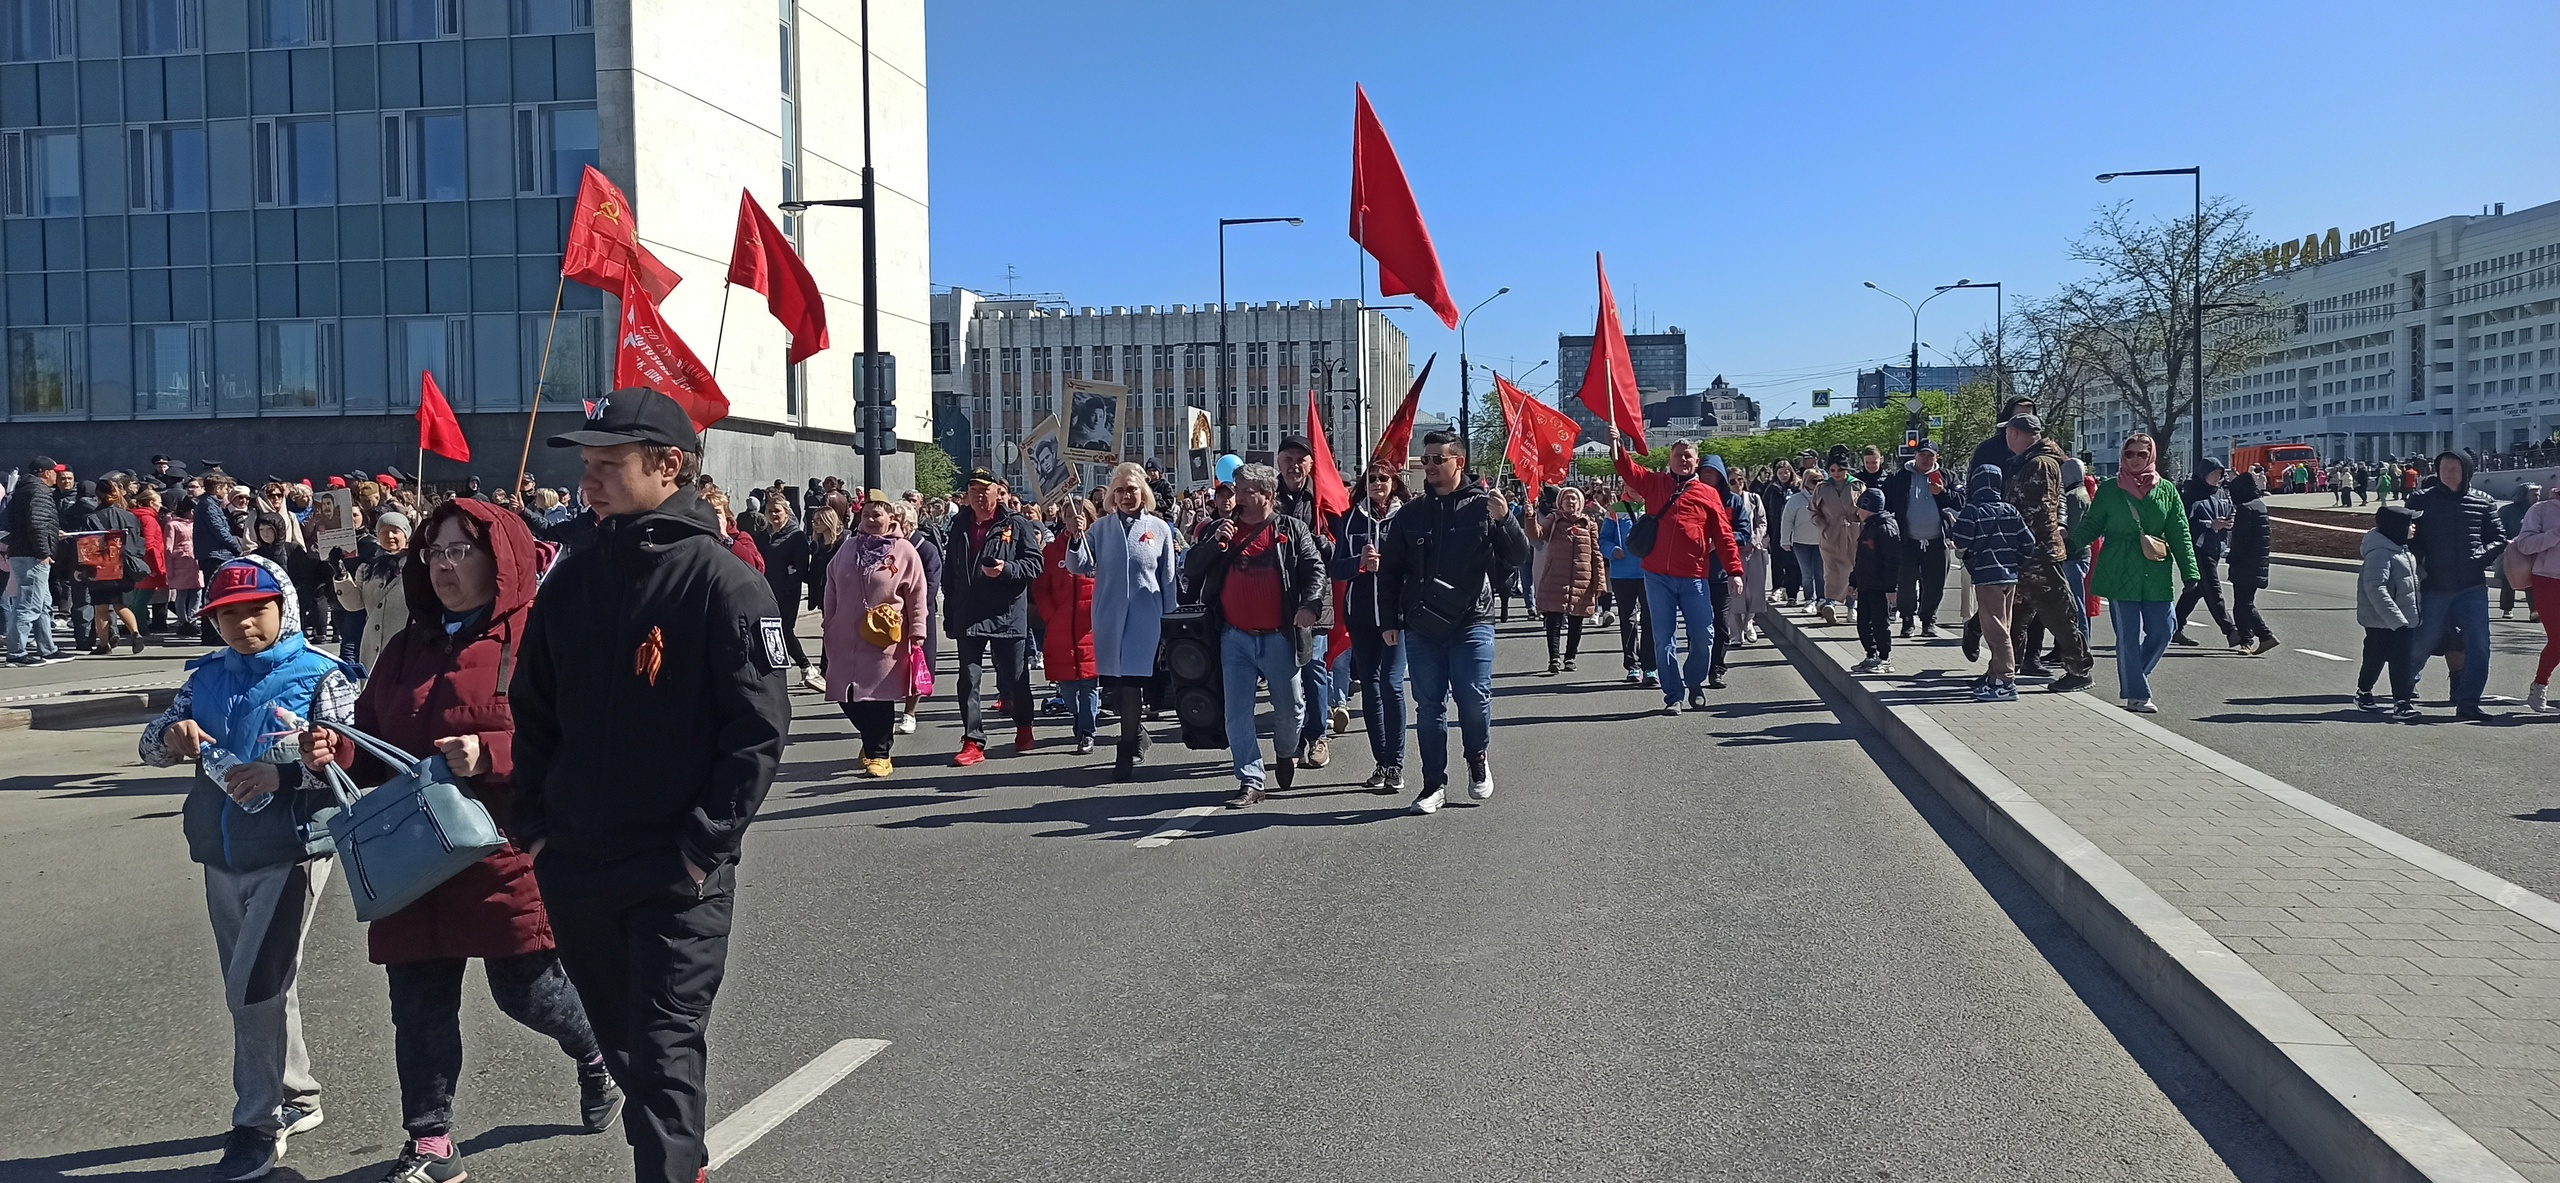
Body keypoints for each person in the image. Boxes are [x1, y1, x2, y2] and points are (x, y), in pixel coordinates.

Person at [509, 388, 792, 1183]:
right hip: (578, 866)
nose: (588, 481)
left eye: (609, 464)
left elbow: (757, 734)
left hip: (676, 875)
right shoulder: (571, 580)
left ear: (670, 466)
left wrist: (701, 849)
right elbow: (531, 712)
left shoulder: (723, 583)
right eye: (586, 466)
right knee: (631, 1051)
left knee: (665, 1052)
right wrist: (534, 828)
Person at [302, 498, 619, 1183]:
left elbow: (581, 736)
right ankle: (430, 1142)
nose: (444, 566)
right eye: (433, 553)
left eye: (459, 551)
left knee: (528, 991)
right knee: (417, 1003)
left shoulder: (540, 634)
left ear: (497, 557)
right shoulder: (405, 645)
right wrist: (334, 749)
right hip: (411, 854)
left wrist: (493, 753)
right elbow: (372, 735)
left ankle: (596, 1052)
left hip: (501, 847)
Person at [138, 556, 359, 1181]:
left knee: (251, 987)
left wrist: (287, 772)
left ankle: (257, 1122)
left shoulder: (322, 674)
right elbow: (151, 744)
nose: (241, 625)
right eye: (226, 614)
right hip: (219, 851)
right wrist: (172, 736)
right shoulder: (203, 677)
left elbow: (352, 761)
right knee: (262, 985)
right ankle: (299, 1094)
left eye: (254, 609)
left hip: (292, 851)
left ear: (284, 606)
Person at [1376, 432, 1528, 813]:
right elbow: (1391, 572)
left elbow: (1518, 554)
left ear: (1458, 462)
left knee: (1474, 699)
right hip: (1422, 623)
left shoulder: (1484, 507)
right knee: (1429, 706)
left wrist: (1506, 519)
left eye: (1436, 460)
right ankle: (1433, 784)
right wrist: (1390, 619)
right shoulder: (1410, 514)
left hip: (1472, 619)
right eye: (1425, 460)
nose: (1428, 467)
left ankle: (1477, 758)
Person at [1183, 463, 1327, 808]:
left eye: (1247, 491)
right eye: (1236, 489)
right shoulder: (1221, 530)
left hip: (1279, 636)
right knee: (1236, 712)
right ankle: (1251, 779)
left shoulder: (1291, 529)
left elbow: (1314, 568)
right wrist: (1214, 545)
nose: (1237, 498)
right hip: (1234, 637)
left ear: (1267, 495)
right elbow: (1191, 569)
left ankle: (1286, 750)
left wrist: (1309, 604)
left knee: (1291, 707)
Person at [1611, 431, 1745, 711]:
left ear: (1696, 462)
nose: (1683, 460)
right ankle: (1673, 695)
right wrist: (1618, 445)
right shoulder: (1655, 483)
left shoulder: (1708, 494)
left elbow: (1723, 535)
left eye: (1688, 456)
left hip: (1695, 576)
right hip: (1657, 576)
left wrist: (1734, 570)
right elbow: (1628, 469)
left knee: (1703, 635)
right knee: (1663, 638)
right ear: (1669, 459)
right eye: (1678, 455)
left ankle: (1694, 682)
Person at [2068, 433, 2199, 713]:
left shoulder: (2167, 490)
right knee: (2128, 636)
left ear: (2151, 456)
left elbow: (2180, 533)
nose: (2136, 459)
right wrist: (2070, 544)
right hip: (2119, 567)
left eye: (2142, 454)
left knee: (2165, 629)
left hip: (2155, 569)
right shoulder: (2110, 490)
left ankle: (2134, 675)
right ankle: (2137, 694)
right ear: (2122, 457)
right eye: (2130, 454)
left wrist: (2190, 572)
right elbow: (2092, 524)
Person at [1072, 462, 1179, 780]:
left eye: (1131, 489)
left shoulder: (1159, 528)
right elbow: (1079, 566)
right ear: (1112, 496)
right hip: (1108, 616)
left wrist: (1170, 619)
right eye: (1119, 490)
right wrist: (1077, 537)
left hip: (1145, 618)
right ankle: (1138, 732)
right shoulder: (1100, 529)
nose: (1125, 496)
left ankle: (1126, 746)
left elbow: (1169, 578)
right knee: (1116, 688)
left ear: (1142, 492)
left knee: (1132, 683)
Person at [822, 495, 929, 777]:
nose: (870, 520)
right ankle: (872, 739)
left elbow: (917, 595)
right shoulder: (847, 548)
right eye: (866, 514)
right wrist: (829, 620)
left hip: (886, 638)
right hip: (846, 636)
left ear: (890, 519)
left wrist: (918, 630)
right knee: (846, 694)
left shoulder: (903, 551)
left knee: (879, 695)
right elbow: (831, 583)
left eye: (877, 515)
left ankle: (880, 754)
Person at [942, 470, 1042, 764]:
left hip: (1006, 614)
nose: (978, 494)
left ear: (998, 492)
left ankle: (1024, 725)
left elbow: (1034, 565)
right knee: (969, 679)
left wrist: (1006, 570)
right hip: (969, 614)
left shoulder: (1016, 523)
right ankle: (973, 740)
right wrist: (951, 609)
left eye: (984, 489)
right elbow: (951, 571)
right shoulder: (959, 523)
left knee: (1015, 678)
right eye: (973, 488)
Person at [2403, 451, 2509, 721]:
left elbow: (2499, 538)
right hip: (2434, 586)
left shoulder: (2483, 502)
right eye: (2444, 468)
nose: (2449, 473)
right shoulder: (2420, 500)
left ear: (2467, 472)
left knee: (2479, 645)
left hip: (2471, 587)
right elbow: (2406, 535)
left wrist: (2480, 557)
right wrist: (2419, 557)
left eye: (2455, 468)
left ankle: (2469, 702)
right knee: (2421, 642)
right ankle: (2402, 694)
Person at [2001, 415, 2096, 693]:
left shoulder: (2039, 464)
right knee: (2014, 611)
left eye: (2008, 433)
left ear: (2017, 434)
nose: (2006, 438)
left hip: (2038, 553)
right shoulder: (2032, 461)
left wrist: (2024, 543)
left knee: (2059, 614)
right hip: (2029, 552)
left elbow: (2039, 511)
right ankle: (2005, 668)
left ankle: (2079, 671)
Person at [1331, 462, 1409, 791]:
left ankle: (1396, 763)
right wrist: (1359, 564)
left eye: (1384, 478)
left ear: (1394, 483)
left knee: (1392, 685)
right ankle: (1382, 762)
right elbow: (1335, 567)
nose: (1378, 483)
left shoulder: (1406, 516)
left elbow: (1416, 564)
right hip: (1361, 616)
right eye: (1372, 478)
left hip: (1395, 617)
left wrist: (1386, 563)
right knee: (1371, 688)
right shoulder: (1350, 519)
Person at [1269, 435, 1338, 769]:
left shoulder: (1322, 498)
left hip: (1313, 598)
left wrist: (1323, 544)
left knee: (1313, 670)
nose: (1294, 466)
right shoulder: (1269, 498)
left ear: (1312, 464)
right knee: (1284, 674)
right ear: (1278, 462)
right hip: (1275, 599)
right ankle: (1291, 738)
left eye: (1301, 459)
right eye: (1288, 459)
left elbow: (1340, 551)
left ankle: (1317, 735)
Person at [1946, 466, 2031, 702]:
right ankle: (1994, 677)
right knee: (2004, 623)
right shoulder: (2010, 510)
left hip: (1986, 576)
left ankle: (2006, 681)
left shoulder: (1973, 510)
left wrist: (1955, 524)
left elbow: (1961, 541)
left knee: (1995, 630)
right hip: (2009, 577)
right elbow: (2029, 542)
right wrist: (2016, 562)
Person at [1031, 494, 1101, 754]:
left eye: (1080, 516)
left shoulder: (1097, 547)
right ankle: (1079, 722)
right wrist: (1051, 615)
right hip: (1061, 629)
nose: (1074, 521)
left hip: (1090, 628)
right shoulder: (1051, 551)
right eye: (1069, 515)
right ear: (1063, 518)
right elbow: (1041, 588)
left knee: (1089, 686)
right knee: (1069, 690)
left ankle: (1087, 732)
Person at [1528, 484, 1604, 675]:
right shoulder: (1553, 520)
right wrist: (1530, 517)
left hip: (1582, 580)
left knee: (1576, 622)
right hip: (1556, 578)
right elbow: (1536, 535)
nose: (1571, 502)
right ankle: (1554, 657)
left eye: (1574, 499)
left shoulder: (1589, 524)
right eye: (1567, 498)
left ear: (1580, 503)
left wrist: (1600, 582)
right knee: (1553, 620)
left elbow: (1596, 554)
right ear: (1560, 502)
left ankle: (1570, 657)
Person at [1881, 442, 1954, 637]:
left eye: (1930, 456)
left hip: (1938, 540)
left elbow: (1960, 500)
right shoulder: (1900, 477)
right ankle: (1907, 620)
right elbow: (1886, 503)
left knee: (1934, 584)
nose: (1926, 459)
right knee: (1905, 583)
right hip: (1907, 541)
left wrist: (1942, 492)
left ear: (1936, 458)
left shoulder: (1946, 476)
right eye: (1922, 454)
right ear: (1915, 455)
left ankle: (1929, 620)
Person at [2355, 504, 2422, 718]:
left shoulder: (2401, 549)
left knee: (2402, 660)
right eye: (2409, 523)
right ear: (2396, 526)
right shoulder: (2380, 553)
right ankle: (2364, 692)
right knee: (2374, 658)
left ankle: (2402, 702)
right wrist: (2396, 620)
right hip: (2380, 621)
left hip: (2403, 620)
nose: (2413, 527)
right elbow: (2375, 587)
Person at [332, 510, 413, 672]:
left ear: (406, 535)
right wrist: (340, 574)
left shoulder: (417, 565)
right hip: (373, 645)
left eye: (395, 531)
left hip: (406, 644)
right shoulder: (368, 568)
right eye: (384, 532)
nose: (390, 536)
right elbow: (355, 604)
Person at [753, 497, 819, 692]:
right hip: (766, 589)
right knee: (768, 629)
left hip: (787, 591)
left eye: (777, 511)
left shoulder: (795, 536)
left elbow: (799, 568)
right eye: (770, 511)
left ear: (787, 513)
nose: (774, 515)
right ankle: (777, 669)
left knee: (783, 629)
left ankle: (806, 666)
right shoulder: (763, 536)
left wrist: (789, 582)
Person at [2171, 458, 2237, 647]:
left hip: (2216, 547)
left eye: (2220, 473)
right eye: (2213, 473)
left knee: (2196, 590)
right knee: (2213, 590)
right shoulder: (2190, 494)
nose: (2218, 477)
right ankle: (2231, 631)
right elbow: (2183, 523)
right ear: (2203, 473)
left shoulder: (2222, 493)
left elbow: (2230, 510)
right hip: (2197, 549)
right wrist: (2209, 525)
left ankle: (2174, 626)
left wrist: (2229, 522)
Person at [2510, 483, 2560, 714]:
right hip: (2548, 580)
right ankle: (2539, 686)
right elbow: (2525, 544)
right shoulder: (2540, 510)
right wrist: (2555, 535)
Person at [1597, 489, 1655, 686]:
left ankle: (1650, 666)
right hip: (1623, 573)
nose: (1634, 489)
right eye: (1629, 485)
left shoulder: (1654, 505)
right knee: (1627, 619)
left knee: (1650, 619)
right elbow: (1603, 540)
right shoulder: (1615, 510)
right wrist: (1613, 551)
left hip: (1650, 572)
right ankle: (1632, 664)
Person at [2223, 472, 2280, 655]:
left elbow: (2241, 540)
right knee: (2242, 602)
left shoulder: (2245, 509)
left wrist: (2231, 558)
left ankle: (2265, 635)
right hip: (2257, 562)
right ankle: (2246, 641)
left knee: (2244, 603)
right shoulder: (2259, 505)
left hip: (2245, 564)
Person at [1848, 488, 1901, 674]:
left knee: (1880, 623)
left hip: (1880, 586)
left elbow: (1892, 560)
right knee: (1864, 623)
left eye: (1859, 508)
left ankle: (1885, 658)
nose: (1857, 512)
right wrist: (1854, 580)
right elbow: (1861, 558)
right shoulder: (1868, 526)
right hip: (1866, 584)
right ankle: (1871, 655)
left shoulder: (1885, 528)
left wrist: (1891, 587)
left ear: (1868, 507)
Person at [1809, 446, 1861, 625]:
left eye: (1840, 470)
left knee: (1853, 570)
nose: (1836, 473)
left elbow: (1865, 509)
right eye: (1832, 470)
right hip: (1831, 534)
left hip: (1853, 534)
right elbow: (1813, 512)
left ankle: (1851, 607)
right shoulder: (1822, 487)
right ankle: (1829, 603)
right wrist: (1823, 527)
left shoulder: (1857, 485)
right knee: (1832, 570)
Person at [1781, 470, 1822, 611]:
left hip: (1821, 541)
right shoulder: (1796, 499)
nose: (1817, 484)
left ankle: (1821, 600)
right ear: (1805, 482)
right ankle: (1809, 599)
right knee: (1807, 573)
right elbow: (1787, 520)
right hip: (1801, 543)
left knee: (1820, 573)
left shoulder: (1826, 498)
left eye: (1820, 481)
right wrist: (1785, 540)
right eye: (1814, 481)